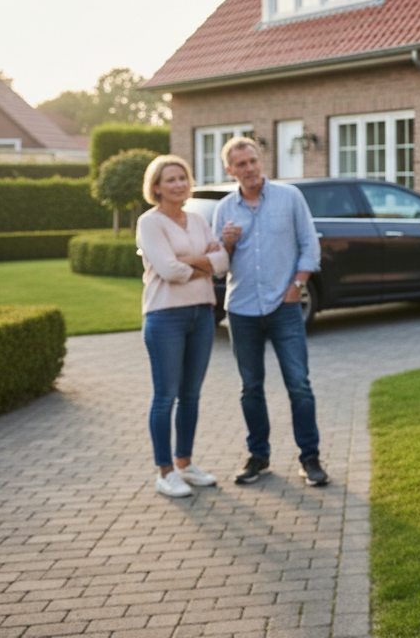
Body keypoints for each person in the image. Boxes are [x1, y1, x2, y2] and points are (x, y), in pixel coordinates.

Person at [212, 136, 329, 487]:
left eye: (252, 161)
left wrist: (297, 286)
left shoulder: (289, 197)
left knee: (299, 386)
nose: (248, 169)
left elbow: (310, 245)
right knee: (251, 388)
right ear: (229, 170)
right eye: (240, 164)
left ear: (260, 160)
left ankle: (310, 459)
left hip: (284, 307)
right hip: (243, 310)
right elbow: (219, 266)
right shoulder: (224, 210)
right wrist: (227, 244)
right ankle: (258, 457)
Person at [137, 154, 229, 498]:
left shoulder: (197, 220)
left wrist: (193, 262)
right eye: (170, 179)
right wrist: (204, 263)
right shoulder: (150, 223)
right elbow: (168, 270)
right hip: (165, 317)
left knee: (191, 395)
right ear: (156, 187)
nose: (178, 184)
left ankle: (185, 463)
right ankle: (164, 471)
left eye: (182, 178)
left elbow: (224, 262)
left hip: (202, 315)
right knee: (166, 396)